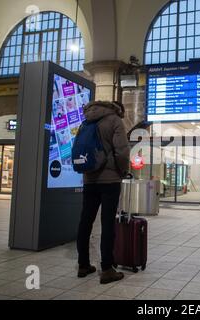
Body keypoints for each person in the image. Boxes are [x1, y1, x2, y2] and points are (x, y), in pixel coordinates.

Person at [76, 101, 130, 284]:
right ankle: (107, 269)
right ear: (117, 109)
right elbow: (122, 151)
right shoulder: (114, 120)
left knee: (85, 222)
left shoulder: (86, 122)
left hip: (89, 179)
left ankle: (83, 264)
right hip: (110, 180)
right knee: (108, 223)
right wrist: (122, 171)